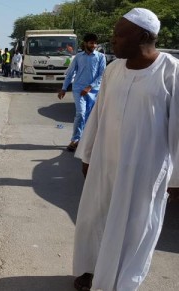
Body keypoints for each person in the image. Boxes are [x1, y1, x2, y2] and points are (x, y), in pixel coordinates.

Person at [72, 8, 179, 291]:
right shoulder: (112, 70)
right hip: (105, 164)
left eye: (120, 34)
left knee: (135, 228)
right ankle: (89, 270)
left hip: (144, 169)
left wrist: (177, 179)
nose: (113, 39)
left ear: (143, 36)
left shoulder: (171, 71)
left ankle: (121, 283)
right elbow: (98, 114)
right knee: (93, 218)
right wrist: (87, 154)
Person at [58, 33, 106, 152]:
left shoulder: (101, 57)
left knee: (89, 117)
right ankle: (75, 139)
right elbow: (70, 73)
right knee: (81, 113)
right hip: (79, 89)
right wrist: (64, 88)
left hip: (94, 91)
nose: (94, 45)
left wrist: (90, 87)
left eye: (95, 43)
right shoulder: (78, 57)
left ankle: (84, 141)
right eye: (91, 43)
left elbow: (102, 74)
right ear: (85, 43)